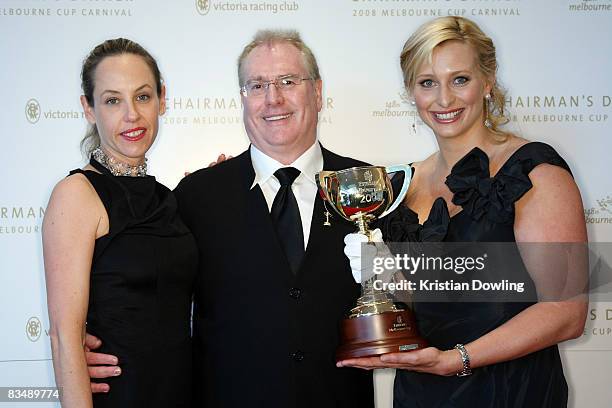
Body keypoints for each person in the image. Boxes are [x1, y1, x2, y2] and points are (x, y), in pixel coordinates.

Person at [84, 30, 375, 408]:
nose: (273, 98)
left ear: (317, 92)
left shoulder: (369, 186)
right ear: (242, 98)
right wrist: (90, 346)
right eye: (256, 86)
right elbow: (150, 294)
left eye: (288, 81)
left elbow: (416, 296)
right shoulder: (194, 197)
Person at [338, 16, 588, 407]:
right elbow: (424, 302)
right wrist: (382, 279)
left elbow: (566, 312)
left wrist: (456, 360)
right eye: (427, 83)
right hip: (422, 392)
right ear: (411, 92)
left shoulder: (534, 171)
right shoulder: (402, 184)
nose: (444, 100)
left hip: (509, 392)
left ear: (487, 82)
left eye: (460, 79)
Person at [43, 38, 197, 408]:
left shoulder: (168, 199)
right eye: (113, 100)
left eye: (142, 97)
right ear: (89, 108)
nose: (132, 115)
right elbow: (65, 338)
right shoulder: (76, 194)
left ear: (162, 99)